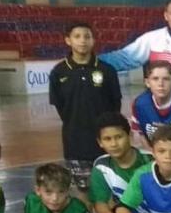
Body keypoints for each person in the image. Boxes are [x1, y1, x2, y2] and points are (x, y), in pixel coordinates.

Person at [48, 22, 122, 195]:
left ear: (93, 40)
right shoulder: (58, 72)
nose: (82, 41)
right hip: (75, 144)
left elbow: (115, 105)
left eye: (87, 36)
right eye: (77, 36)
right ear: (68, 40)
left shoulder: (107, 70)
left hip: (106, 144)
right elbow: (61, 107)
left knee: (110, 193)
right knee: (84, 194)